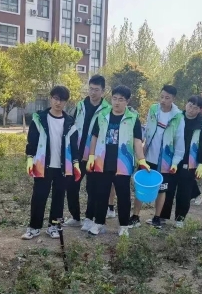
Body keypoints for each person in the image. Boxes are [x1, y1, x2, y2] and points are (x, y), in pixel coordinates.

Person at [86, 85, 148, 236]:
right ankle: (98, 223)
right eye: (114, 99)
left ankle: (124, 226)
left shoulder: (133, 119)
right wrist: (91, 156)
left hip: (123, 163)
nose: (117, 102)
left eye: (121, 99)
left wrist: (141, 159)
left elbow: (137, 140)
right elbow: (94, 136)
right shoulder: (102, 116)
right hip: (103, 162)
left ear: (127, 101)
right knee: (101, 194)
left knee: (124, 196)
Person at [22, 86, 78, 240]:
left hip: (62, 167)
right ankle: (34, 227)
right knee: (39, 196)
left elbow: (74, 145)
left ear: (66, 102)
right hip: (42, 165)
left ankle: (54, 226)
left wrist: (75, 163)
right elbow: (31, 141)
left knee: (59, 197)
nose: (58, 102)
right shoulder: (39, 118)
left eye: (62, 100)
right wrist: (29, 158)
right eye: (55, 98)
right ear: (51, 98)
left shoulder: (70, 122)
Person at [131, 85, 185, 229]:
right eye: (161, 97)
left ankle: (157, 218)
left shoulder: (178, 117)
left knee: (162, 189)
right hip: (148, 157)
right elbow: (146, 130)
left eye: (167, 98)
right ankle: (135, 216)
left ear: (173, 99)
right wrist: (140, 152)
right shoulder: (153, 110)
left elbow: (180, 143)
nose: (163, 100)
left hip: (166, 162)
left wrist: (175, 162)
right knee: (140, 186)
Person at [65, 75, 111, 231]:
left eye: (96, 90)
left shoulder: (107, 110)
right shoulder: (80, 105)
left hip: (94, 155)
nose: (93, 92)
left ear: (103, 91)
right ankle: (75, 217)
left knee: (92, 188)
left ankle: (89, 218)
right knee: (71, 186)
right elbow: (70, 125)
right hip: (76, 154)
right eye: (91, 89)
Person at [160, 95, 202, 227]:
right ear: (185, 104)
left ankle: (180, 219)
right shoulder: (177, 117)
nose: (191, 109)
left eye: (195, 108)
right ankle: (163, 216)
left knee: (184, 191)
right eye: (190, 105)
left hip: (189, 162)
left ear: (199, 110)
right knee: (168, 189)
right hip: (171, 159)